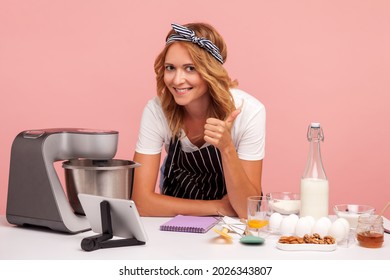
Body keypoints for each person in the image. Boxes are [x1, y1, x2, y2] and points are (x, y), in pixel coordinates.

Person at [132, 22, 265, 218]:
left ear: (210, 71)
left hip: (228, 234)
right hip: (172, 229)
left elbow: (247, 210)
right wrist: (218, 207)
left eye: (190, 68)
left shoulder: (249, 111)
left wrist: (227, 147)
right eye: (170, 68)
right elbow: (141, 203)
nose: (177, 80)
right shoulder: (157, 110)